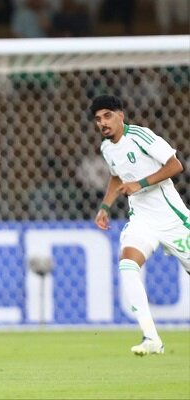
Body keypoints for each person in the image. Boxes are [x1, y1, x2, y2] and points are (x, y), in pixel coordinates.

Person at [91, 94, 189, 356]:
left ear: (121, 115)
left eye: (107, 116)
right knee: (127, 264)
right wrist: (105, 206)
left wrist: (140, 184)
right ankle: (151, 337)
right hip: (142, 220)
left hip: (172, 219)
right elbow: (116, 176)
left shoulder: (140, 135)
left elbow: (175, 165)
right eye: (98, 119)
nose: (103, 123)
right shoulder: (107, 148)